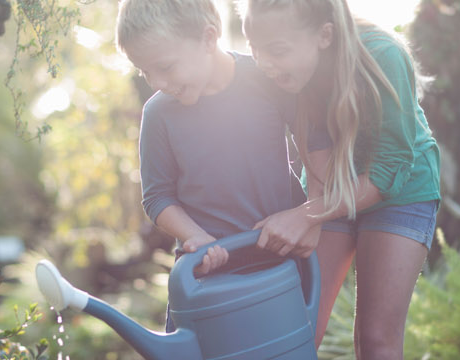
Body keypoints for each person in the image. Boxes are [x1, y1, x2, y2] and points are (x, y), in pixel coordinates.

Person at [241, 0, 443, 358]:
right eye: (255, 49)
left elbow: (387, 172)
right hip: (331, 183)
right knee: (298, 330)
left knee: (376, 339)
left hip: (401, 189)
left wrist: (307, 214)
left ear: (324, 35)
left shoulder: (382, 55)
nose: (264, 63)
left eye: (276, 50)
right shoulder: (281, 71)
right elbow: (311, 140)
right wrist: (316, 207)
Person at [116, 0, 305, 331]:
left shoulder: (267, 79)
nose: (156, 82)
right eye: (144, 71)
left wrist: (307, 215)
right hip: (204, 276)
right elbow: (157, 197)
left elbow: (315, 144)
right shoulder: (158, 114)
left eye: (166, 66)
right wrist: (198, 238)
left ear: (208, 38)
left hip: (280, 265)